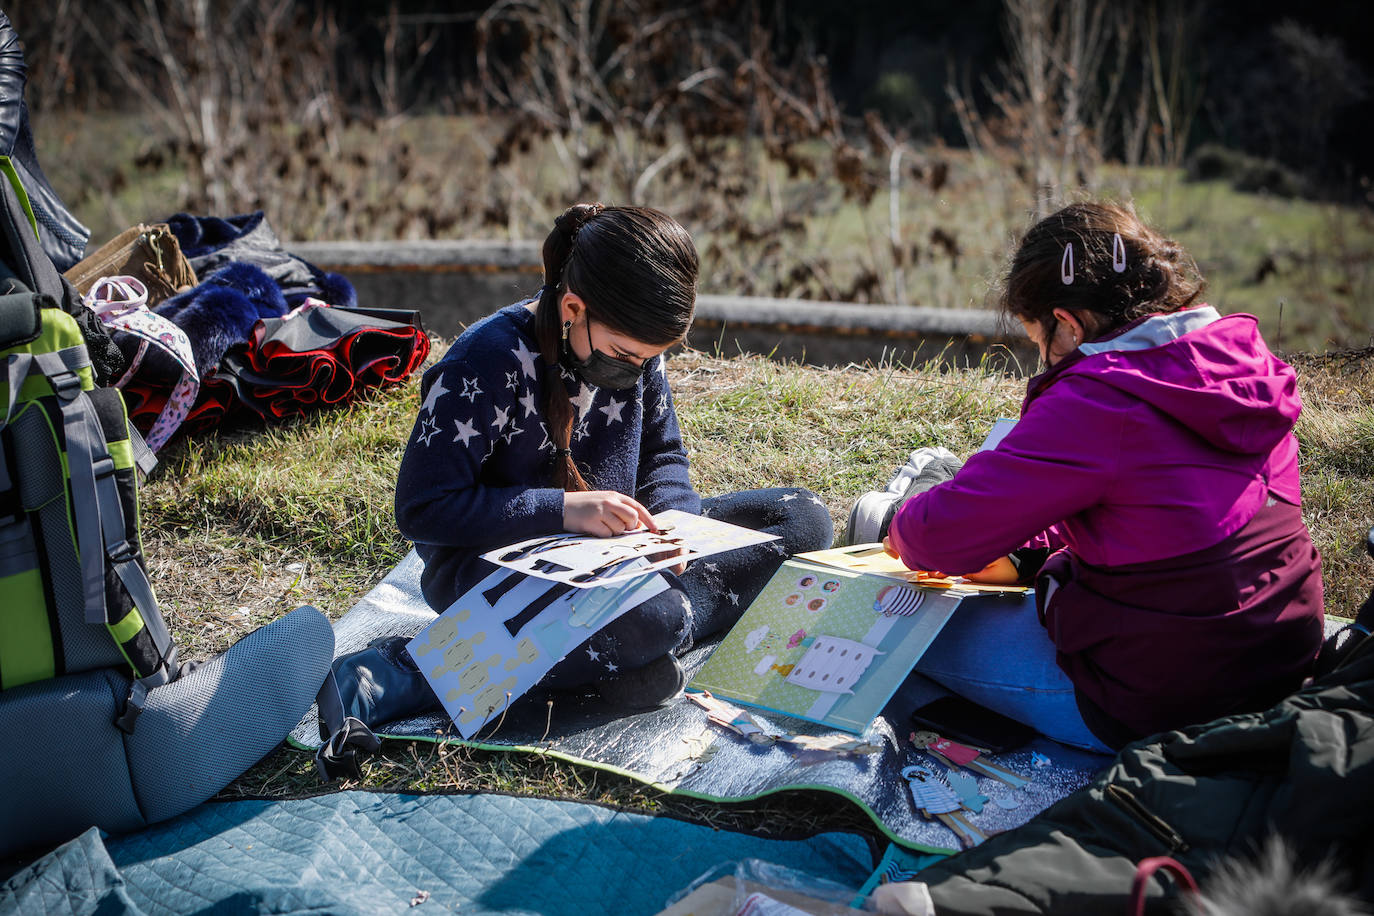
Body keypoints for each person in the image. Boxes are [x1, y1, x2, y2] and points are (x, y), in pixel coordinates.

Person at [339, 204, 831, 724]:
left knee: (801, 518)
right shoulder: (484, 362)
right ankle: (416, 671)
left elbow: (662, 456)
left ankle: (622, 656)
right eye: (626, 355)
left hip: (614, 556)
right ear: (573, 307)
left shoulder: (629, 350)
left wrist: (675, 524)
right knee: (654, 619)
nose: (637, 370)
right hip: (498, 571)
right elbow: (424, 509)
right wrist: (566, 511)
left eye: (649, 359)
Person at [884, 201, 1324, 752]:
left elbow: (937, 538)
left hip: (1165, 704)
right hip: (1281, 667)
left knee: (895, 629)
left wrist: (899, 525)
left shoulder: (1096, 399)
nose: (1042, 357)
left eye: (1036, 339)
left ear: (1066, 323)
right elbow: (1163, 509)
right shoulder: (1238, 362)